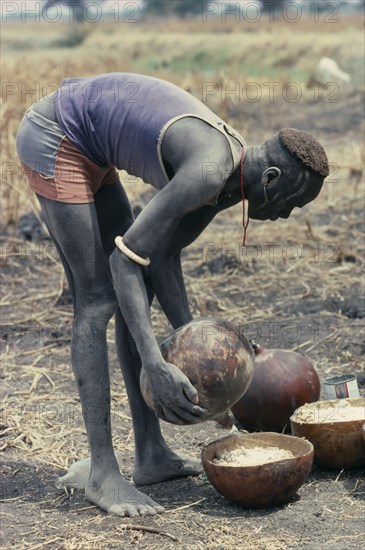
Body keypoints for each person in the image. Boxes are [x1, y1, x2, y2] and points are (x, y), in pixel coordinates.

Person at [16, 72, 329, 517]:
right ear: (272, 177)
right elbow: (125, 259)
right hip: (56, 135)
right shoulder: (209, 170)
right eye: (292, 203)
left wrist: (196, 354)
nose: (286, 216)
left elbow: (160, 258)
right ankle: (104, 474)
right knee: (99, 299)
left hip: (90, 140)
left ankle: (151, 455)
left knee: (134, 286)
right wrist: (154, 364)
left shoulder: (230, 177)